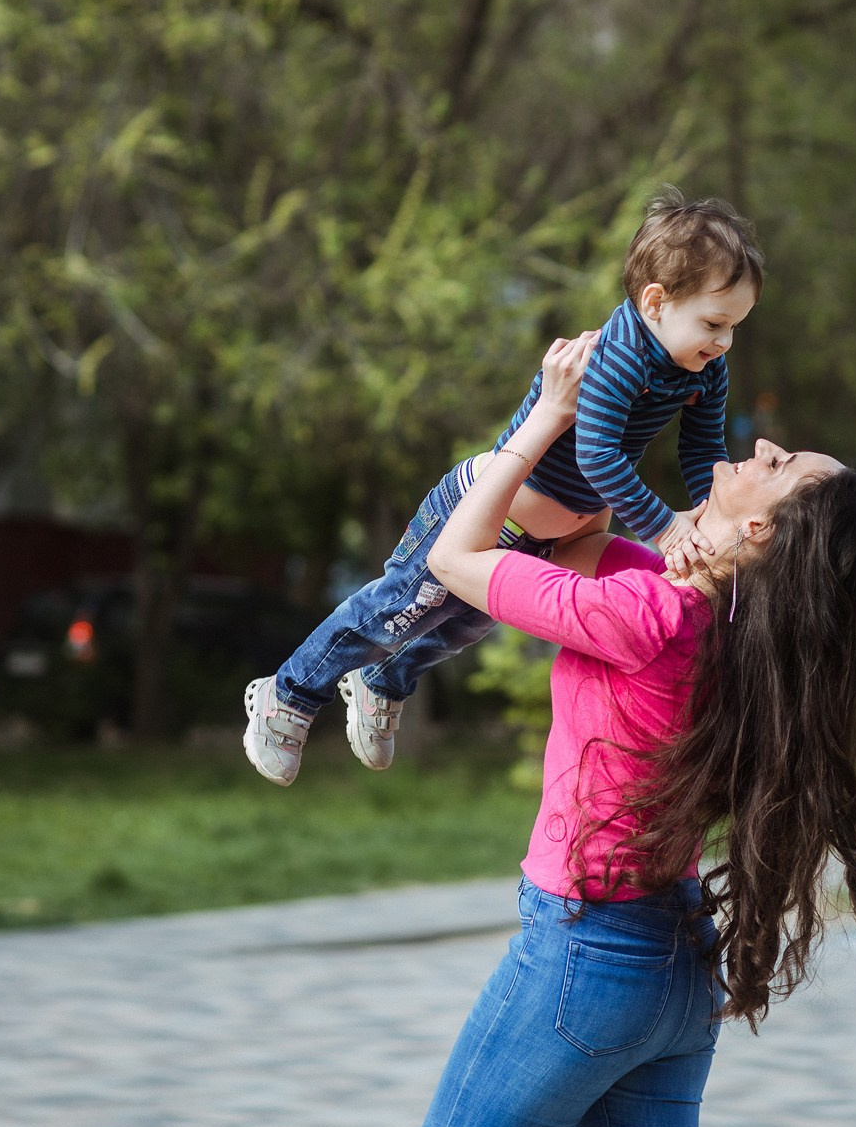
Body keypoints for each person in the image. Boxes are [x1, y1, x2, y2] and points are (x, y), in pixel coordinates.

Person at [390, 332, 856, 1127]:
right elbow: (579, 541)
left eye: (779, 465)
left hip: (583, 955)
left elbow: (454, 558)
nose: (763, 446)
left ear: (761, 527)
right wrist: (651, 500)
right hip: (673, 969)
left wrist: (550, 413)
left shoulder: (643, 612)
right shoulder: (740, 637)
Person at [241, 193, 764, 786]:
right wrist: (664, 527)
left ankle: (381, 683)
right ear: (655, 302)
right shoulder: (616, 360)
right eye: (714, 324)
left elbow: (702, 450)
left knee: (461, 629)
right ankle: (287, 695)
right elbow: (596, 457)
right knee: (392, 613)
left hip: (542, 539)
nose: (723, 343)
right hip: (483, 513)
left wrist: (703, 511)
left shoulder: (702, 367)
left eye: (734, 328)